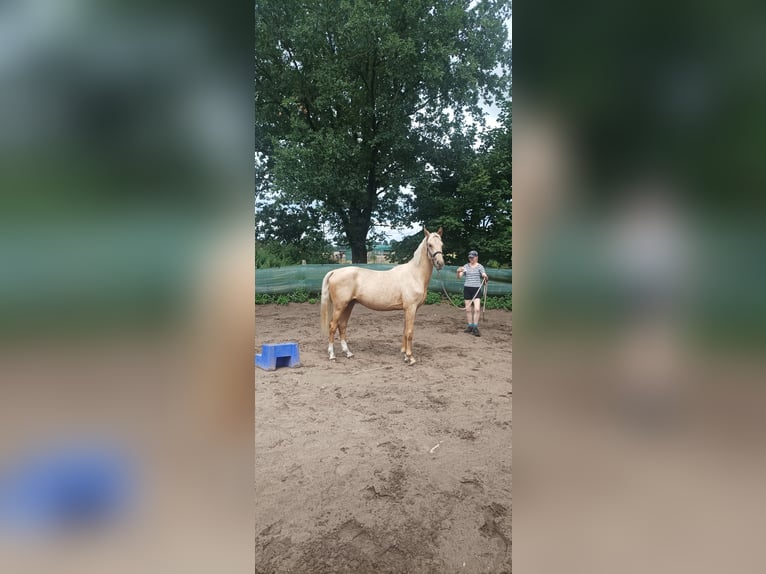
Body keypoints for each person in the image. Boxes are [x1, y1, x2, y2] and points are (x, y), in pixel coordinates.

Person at [457, 250, 488, 336]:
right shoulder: (466, 266)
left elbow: (484, 275)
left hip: (476, 289)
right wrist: (458, 271)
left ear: (476, 257)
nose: (471, 259)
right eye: (470, 257)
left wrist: (485, 277)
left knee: (477, 309)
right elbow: (459, 277)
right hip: (467, 289)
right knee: (468, 310)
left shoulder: (480, 267)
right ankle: (470, 326)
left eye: (472, 257)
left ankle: (475, 327)